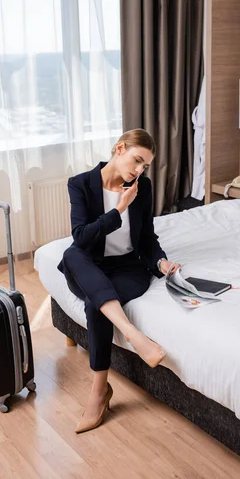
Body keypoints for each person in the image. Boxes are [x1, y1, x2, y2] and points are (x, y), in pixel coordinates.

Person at [58, 128, 180, 433]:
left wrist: (160, 262)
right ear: (120, 148)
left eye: (144, 166)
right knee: (72, 253)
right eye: (137, 160)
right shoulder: (81, 184)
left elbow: (147, 236)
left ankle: (99, 392)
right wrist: (120, 207)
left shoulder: (143, 187)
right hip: (90, 265)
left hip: (128, 269)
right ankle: (132, 334)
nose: (139, 170)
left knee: (95, 302)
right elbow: (82, 237)